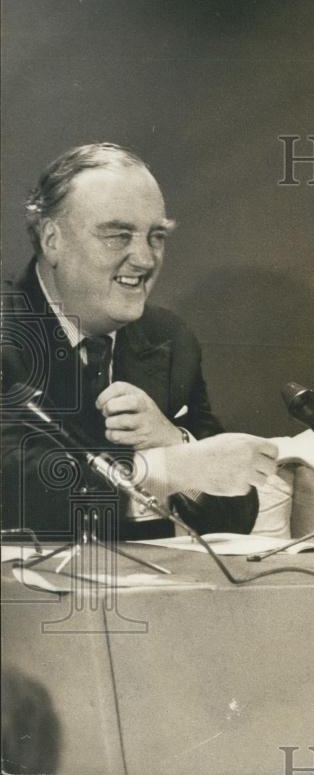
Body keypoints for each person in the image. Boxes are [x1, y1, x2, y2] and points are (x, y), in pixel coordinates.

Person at [1, 143, 277, 539]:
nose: (145, 259)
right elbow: (13, 488)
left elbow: (234, 518)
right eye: (118, 235)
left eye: (156, 236)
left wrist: (172, 438)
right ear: (52, 240)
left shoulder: (170, 338)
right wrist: (167, 469)